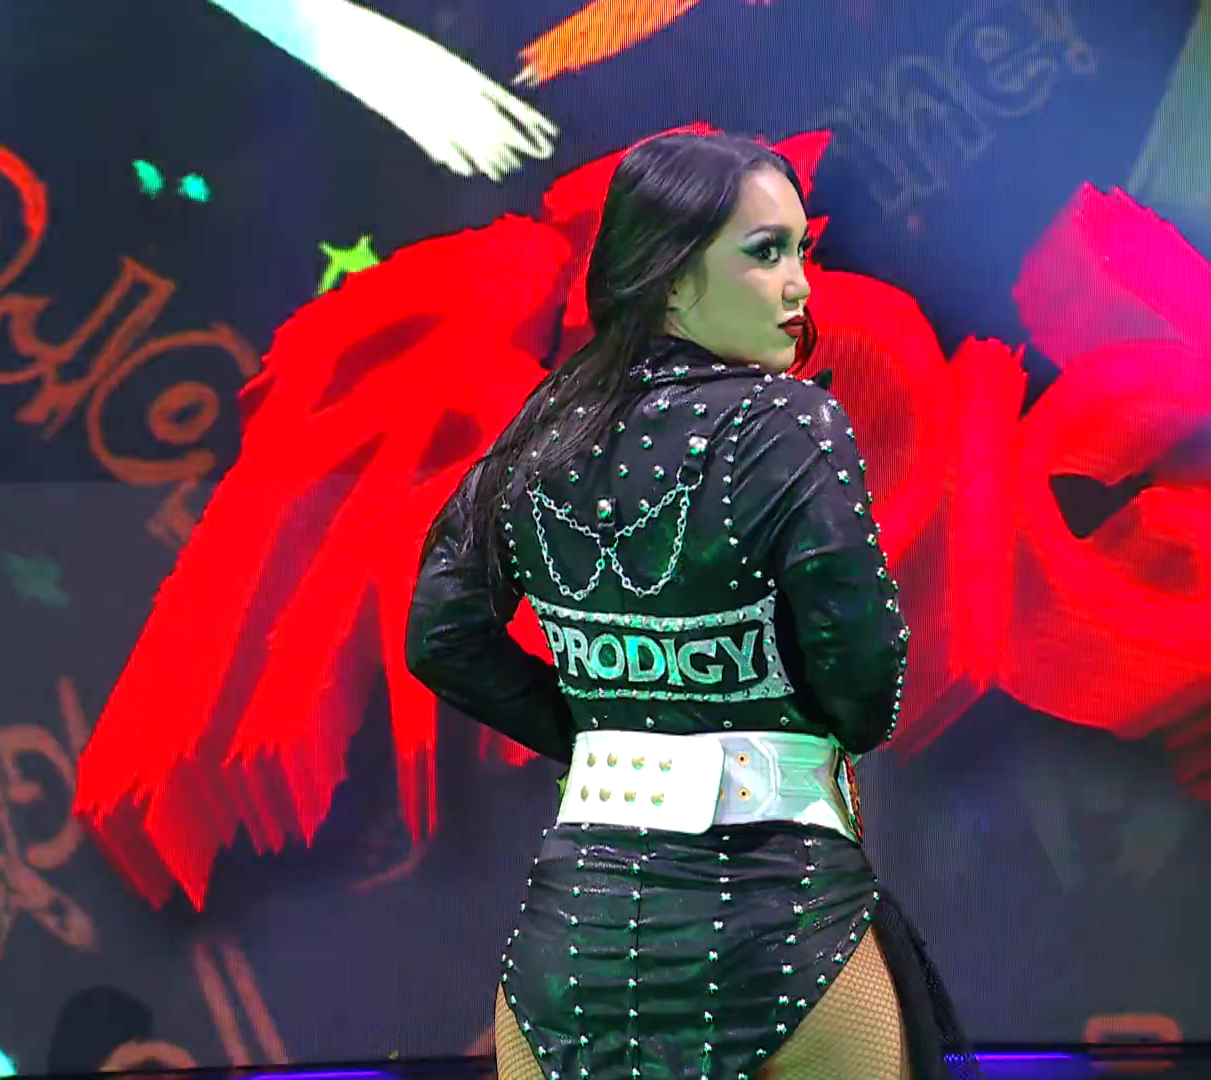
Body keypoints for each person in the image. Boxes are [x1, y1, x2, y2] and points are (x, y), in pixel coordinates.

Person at [406, 132, 977, 1080]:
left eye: (801, 250)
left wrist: (602, 736)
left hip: (576, 943)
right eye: (765, 252)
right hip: (782, 929)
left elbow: (442, 633)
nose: (799, 285)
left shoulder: (542, 426)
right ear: (671, 278)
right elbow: (867, 693)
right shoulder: (791, 421)